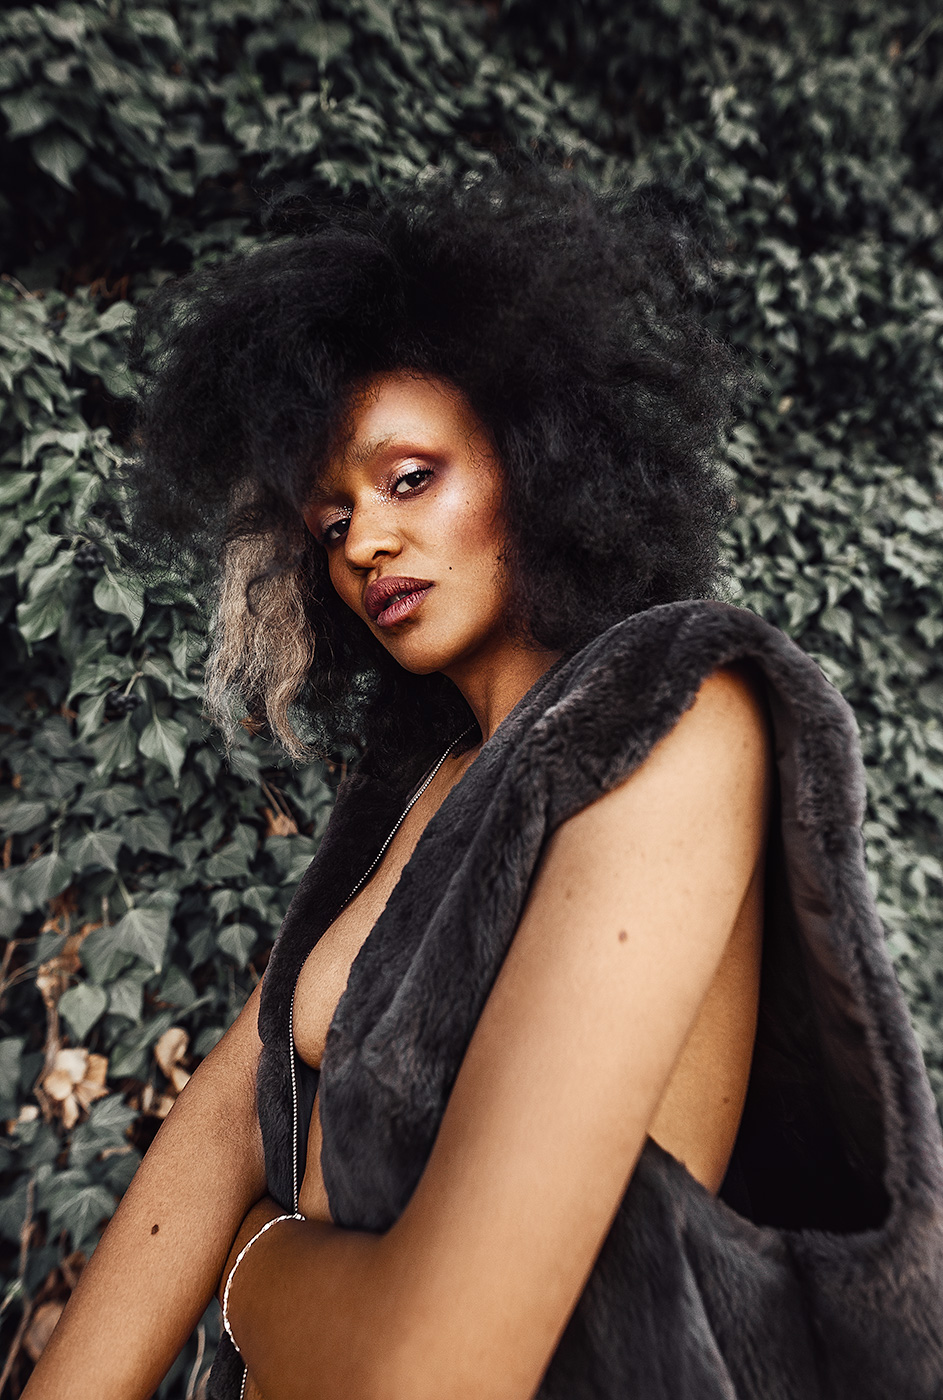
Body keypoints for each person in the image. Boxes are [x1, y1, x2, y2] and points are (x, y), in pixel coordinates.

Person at [24, 164, 943, 1400]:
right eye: (331, 521)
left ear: (539, 456)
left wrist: (253, 1265)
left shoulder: (675, 712)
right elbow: (232, 1113)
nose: (366, 541)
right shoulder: (418, 785)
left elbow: (440, 1365)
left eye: (410, 478)